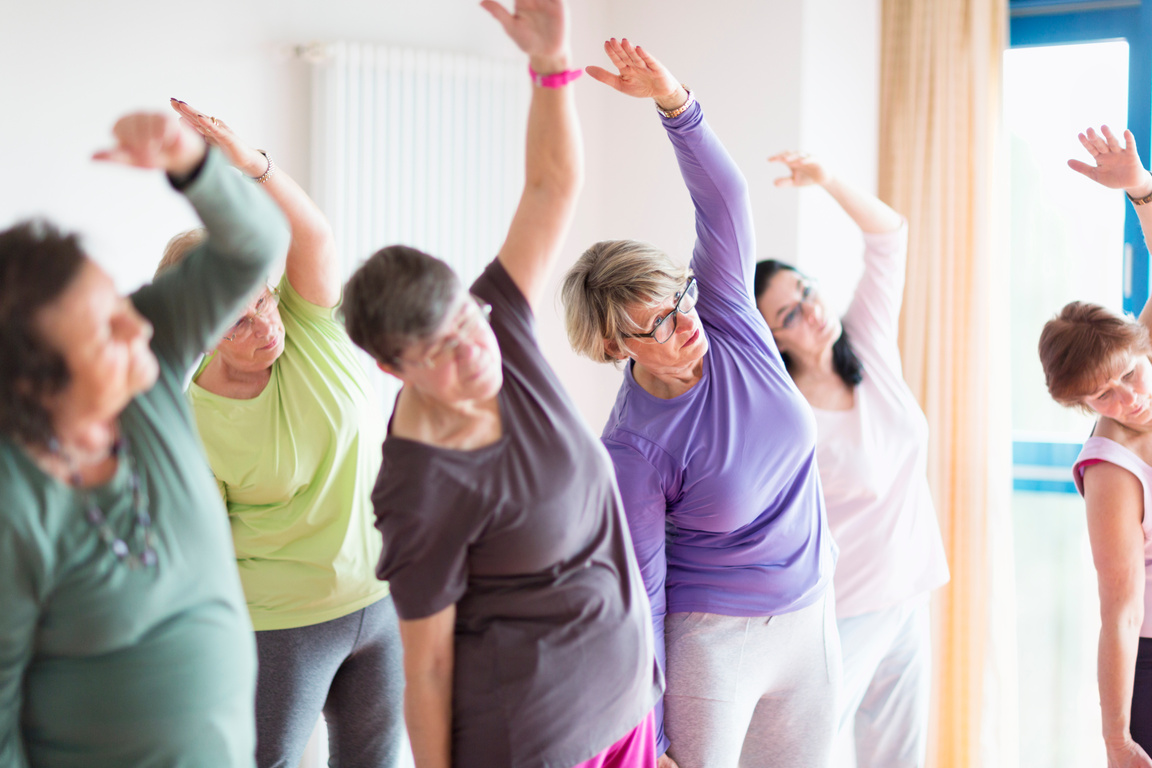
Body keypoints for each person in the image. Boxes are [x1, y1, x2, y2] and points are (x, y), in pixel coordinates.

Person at [340, 2, 660, 767]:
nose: (473, 352)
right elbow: (426, 667)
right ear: (394, 370)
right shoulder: (419, 488)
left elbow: (552, 185)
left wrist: (552, 66)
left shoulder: (500, 321)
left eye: (466, 321)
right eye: (440, 350)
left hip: (625, 705)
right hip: (535, 740)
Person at [561, 39, 840, 768]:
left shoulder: (727, 318)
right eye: (656, 321)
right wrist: (649, 738)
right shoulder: (633, 448)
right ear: (616, 346)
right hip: (715, 642)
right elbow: (642, 593)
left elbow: (727, 199)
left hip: (812, 617)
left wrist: (673, 101)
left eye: (677, 296)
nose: (683, 320)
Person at [0, 111, 288, 766]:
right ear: (38, 383)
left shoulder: (149, 369)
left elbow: (255, 245)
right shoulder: (14, 507)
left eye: (120, 303)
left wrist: (193, 165)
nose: (137, 329)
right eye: (105, 330)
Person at [156, 100, 403, 768]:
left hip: (383, 598)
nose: (266, 323)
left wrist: (250, 166)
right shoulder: (194, 421)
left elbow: (313, 236)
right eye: (239, 320)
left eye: (261, 297)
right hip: (283, 625)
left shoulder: (309, 327)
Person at [752, 153, 950, 768]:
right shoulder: (785, 416)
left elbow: (890, 235)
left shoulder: (865, 343)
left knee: (898, 759)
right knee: (795, 755)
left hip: (908, 595)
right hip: (843, 614)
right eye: (789, 313)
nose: (812, 310)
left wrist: (827, 181)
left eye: (806, 290)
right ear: (773, 339)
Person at [1040, 124, 1152, 768]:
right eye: (1101, 397)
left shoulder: (1144, 348)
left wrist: (1138, 187)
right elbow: (1120, 608)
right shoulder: (1112, 469)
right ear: (1081, 406)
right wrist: (1115, 734)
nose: (1127, 399)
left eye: (1128, 376)